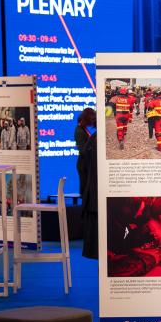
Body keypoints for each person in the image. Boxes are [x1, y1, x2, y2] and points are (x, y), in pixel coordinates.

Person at [74, 108, 99, 259]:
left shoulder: (84, 130)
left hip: (86, 165)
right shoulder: (79, 131)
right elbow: (83, 150)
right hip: (84, 165)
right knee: (85, 190)